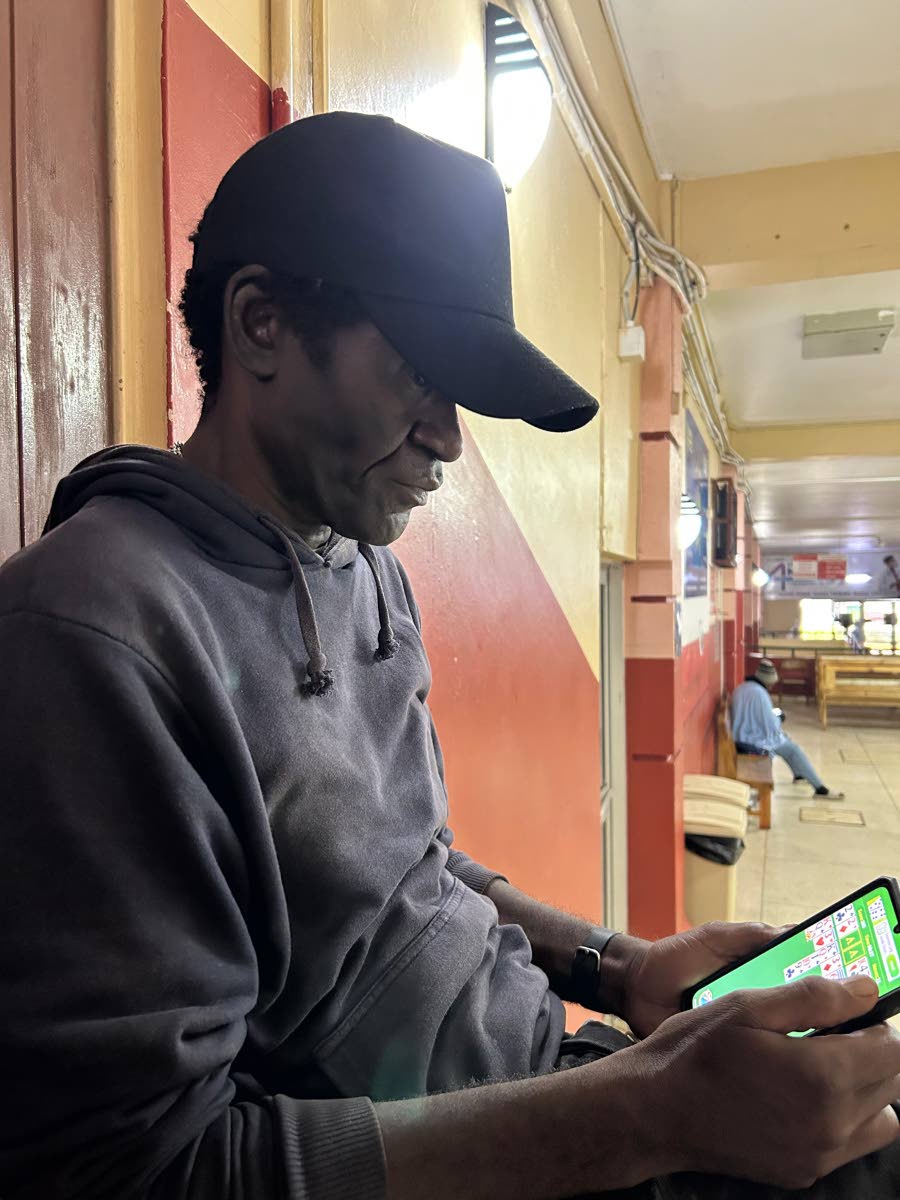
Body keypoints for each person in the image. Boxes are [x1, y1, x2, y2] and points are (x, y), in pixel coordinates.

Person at [1, 113, 897, 1200]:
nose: (449, 436)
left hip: (565, 1082)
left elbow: (409, 870)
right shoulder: (90, 634)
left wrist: (618, 968)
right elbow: (143, 1173)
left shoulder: (366, 566)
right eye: (417, 373)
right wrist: (651, 1115)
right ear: (261, 323)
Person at [731, 660, 844, 798]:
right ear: (768, 681)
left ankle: (799, 775)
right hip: (751, 743)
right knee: (792, 748)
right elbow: (771, 725)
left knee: (785, 740)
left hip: (740, 736)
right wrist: (780, 718)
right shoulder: (759, 694)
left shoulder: (743, 687)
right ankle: (820, 788)